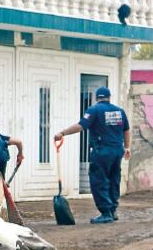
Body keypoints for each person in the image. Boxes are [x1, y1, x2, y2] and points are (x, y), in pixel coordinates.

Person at [54, 87, 130, 224]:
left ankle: (105, 212)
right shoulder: (119, 111)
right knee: (114, 179)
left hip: (102, 151)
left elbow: (81, 126)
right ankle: (113, 210)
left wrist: (62, 133)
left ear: (97, 98)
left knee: (99, 180)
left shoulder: (94, 110)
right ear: (109, 97)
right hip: (117, 151)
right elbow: (126, 130)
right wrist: (127, 147)